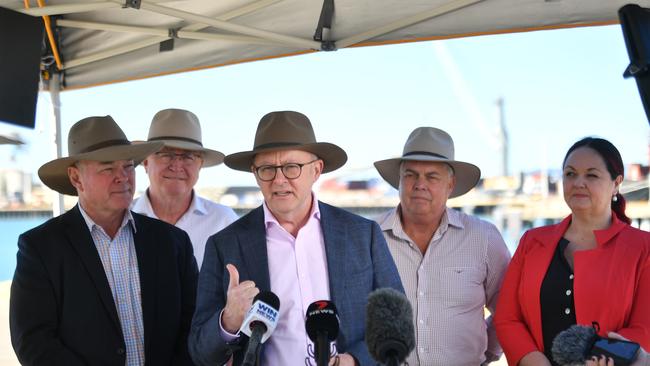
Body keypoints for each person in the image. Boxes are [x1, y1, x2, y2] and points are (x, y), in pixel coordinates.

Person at [188, 111, 404, 366]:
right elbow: (200, 353)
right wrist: (228, 321)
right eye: (267, 169)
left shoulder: (362, 235)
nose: (279, 180)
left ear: (316, 170)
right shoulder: (224, 245)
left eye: (292, 167)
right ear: (255, 174)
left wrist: (355, 361)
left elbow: (396, 323)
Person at [10, 116, 198, 366]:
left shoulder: (172, 242)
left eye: (128, 166)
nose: (123, 177)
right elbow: (33, 342)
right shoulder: (41, 247)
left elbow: (193, 325)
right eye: (108, 168)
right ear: (76, 178)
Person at [494, 137, 650, 366]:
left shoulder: (643, 247)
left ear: (616, 183)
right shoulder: (532, 241)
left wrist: (604, 356)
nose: (578, 182)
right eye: (570, 174)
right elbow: (507, 317)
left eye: (591, 175)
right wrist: (535, 361)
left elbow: (645, 327)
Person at [373, 126, 511, 365]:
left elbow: (509, 309)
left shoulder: (483, 238)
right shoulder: (369, 236)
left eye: (432, 176)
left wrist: (486, 354)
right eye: (410, 175)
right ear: (399, 181)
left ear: (450, 184)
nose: (419, 184)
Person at [132, 108, 238, 268]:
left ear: (200, 165)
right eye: (166, 154)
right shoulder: (122, 219)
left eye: (188, 156)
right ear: (146, 162)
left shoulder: (223, 221)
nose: (176, 166)